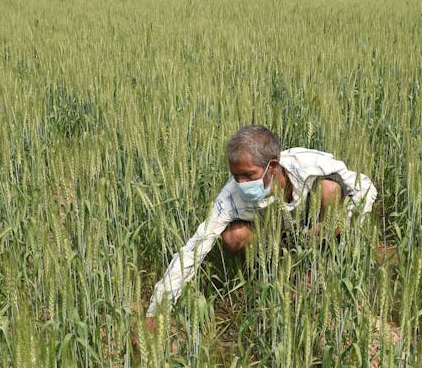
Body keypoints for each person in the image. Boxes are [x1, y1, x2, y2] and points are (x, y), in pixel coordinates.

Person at [144, 124, 377, 320]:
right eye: (236, 176)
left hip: (315, 227)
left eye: (248, 175)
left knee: (330, 189)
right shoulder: (230, 197)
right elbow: (194, 250)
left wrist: (340, 222)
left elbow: (365, 187)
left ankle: (321, 268)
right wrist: (156, 311)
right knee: (232, 236)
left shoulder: (308, 165)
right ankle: (267, 275)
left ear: (273, 166)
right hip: (271, 238)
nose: (241, 183)